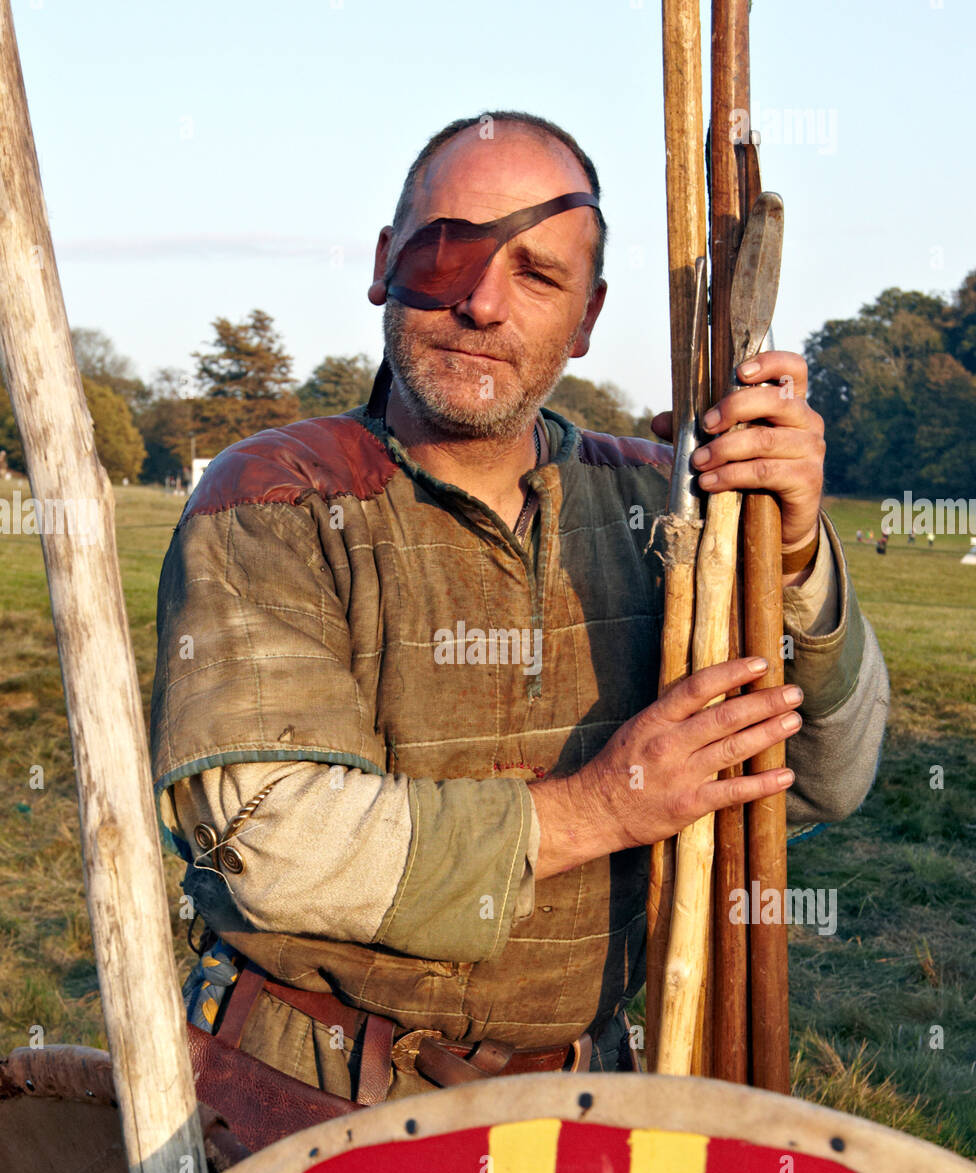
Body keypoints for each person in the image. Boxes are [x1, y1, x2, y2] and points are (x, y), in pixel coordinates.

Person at [150, 111, 889, 1103]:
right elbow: (276, 846)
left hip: (581, 1107)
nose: (483, 303)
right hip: (293, 1103)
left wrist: (788, 552)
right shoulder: (277, 496)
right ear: (383, 264)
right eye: (448, 252)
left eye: (538, 275)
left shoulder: (660, 508)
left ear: (586, 318)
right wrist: (610, 804)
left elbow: (824, 781)